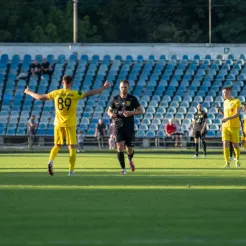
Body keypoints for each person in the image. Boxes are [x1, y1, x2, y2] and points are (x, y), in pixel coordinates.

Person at [24, 75, 110, 176]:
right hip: (70, 124)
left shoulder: (56, 93)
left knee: (57, 145)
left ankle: (50, 161)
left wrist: (28, 92)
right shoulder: (74, 93)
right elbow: (90, 93)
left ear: (62, 82)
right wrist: (104, 87)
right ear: (71, 83)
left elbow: (40, 97)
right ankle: (71, 171)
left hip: (58, 124)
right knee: (72, 147)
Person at [107, 80, 143, 174]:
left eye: (125, 87)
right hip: (118, 126)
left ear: (128, 88)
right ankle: (123, 169)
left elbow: (141, 111)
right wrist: (111, 115)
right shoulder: (115, 99)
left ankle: (130, 160)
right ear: (119, 87)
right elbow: (109, 111)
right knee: (119, 146)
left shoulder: (132, 99)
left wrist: (131, 112)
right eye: (122, 87)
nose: (123, 89)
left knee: (129, 149)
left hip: (129, 127)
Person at [220, 86, 241, 168]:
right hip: (225, 126)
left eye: (225, 93)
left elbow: (238, 114)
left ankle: (237, 159)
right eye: (222, 93)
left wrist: (227, 118)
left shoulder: (237, 101)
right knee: (225, 144)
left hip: (234, 126)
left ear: (229, 92)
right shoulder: (225, 102)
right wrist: (222, 124)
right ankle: (227, 162)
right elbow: (225, 115)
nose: (223, 95)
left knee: (235, 145)